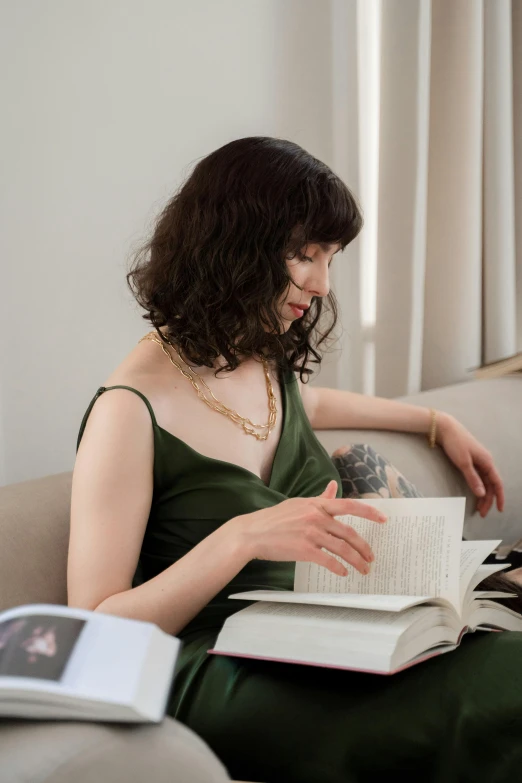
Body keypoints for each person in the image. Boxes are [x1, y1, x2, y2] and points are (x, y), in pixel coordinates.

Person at [68, 136, 522, 783]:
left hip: (332, 633)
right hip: (219, 664)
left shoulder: (257, 362)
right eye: (303, 253)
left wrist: (434, 420)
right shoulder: (128, 410)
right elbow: (93, 624)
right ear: (231, 242)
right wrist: (239, 536)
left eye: (330, 257)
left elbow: (313, 401)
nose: (322, 282)